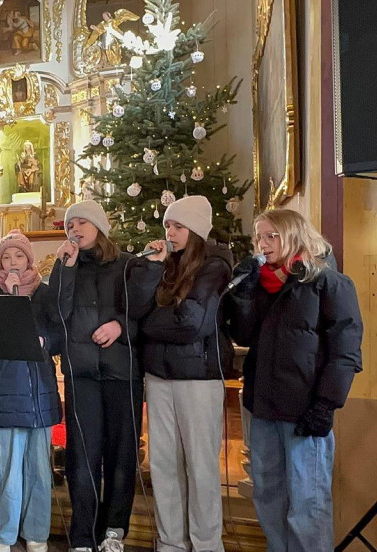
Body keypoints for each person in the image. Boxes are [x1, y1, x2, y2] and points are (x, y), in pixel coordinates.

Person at [223, 209, 363, 552]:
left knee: (307, 502)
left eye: (272, 236)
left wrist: (326, 404)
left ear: (294, 236)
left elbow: (345, 351)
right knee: (268, 496)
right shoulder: (263, 284)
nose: (263, 244)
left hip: (305, 411)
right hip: (263, 407)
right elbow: (244, 336)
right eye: (259, 236)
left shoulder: (328, 282)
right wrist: (242, 296)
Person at [126, 196, 231, 552]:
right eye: (168, 225)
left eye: (178, 226)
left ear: (196, 231)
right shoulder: (163, 264)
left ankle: (205, 544)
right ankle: (171, 543)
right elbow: (135, 313)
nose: (169, 233)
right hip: (158, 377)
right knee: (164, 465)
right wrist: (153, 268)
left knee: (200, 467)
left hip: (198, 377)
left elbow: (191, 324)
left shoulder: (215, 264)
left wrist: (151, 321)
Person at [47, 200, 142, 552]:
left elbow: (145, 311)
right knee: (82, 456)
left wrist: (121, 326)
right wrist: (65, 269)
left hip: (121, 372)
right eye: (71, 224)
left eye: (83, 222)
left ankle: (114, 531)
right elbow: (56, 312)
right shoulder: (66, 265)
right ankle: (83, 535)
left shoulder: (128, 264)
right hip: (81, 372)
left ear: (100, 226)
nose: (76, 229)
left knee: (121, 454)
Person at [0, 230, 61, 552]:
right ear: (0, 262)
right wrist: (10, 298)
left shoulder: (44, 293)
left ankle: (37, 532)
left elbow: (59, 332)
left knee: (40, 469)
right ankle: (3, 534)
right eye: (7, 257)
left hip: (39, 390)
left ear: (29, 260)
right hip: (6, 389)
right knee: (7, 470)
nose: (13, 263)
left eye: (19, 256)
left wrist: (46, 341)